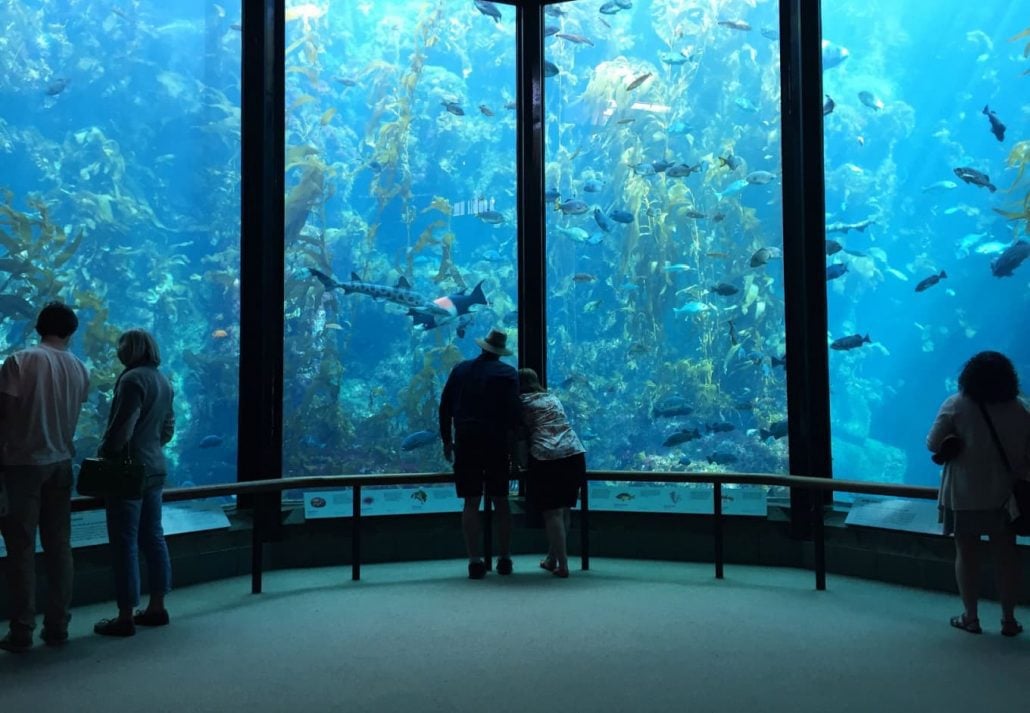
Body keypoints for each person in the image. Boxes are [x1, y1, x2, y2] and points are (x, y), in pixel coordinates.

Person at [0, 302, 90, 652]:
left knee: (21, 548)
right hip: (62, 463)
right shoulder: (80, 369)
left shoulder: (20, 362)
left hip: (23, 463)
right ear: (71, 331)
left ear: (39, 327)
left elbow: (3, 414)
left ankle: (22, 628)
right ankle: (58, 625)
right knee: (60, 546)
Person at [927, 351, 1029, 637]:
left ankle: (970, 617)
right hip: (1007, 498)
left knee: (967, 553)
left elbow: (932, 443)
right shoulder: (1022, 408)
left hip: (964, 494)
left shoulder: (956, 404)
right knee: (1006, 557)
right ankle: (1009, 619)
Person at [93, 329, 175, 637]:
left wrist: (106, 453)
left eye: (121, 346)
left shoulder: (131, 380)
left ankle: (125, 615)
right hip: (155, 467)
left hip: (129, 472)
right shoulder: (164, 381)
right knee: (153, 537)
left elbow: (121, 429)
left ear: (132, 350)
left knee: (124, 543)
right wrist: (150, 444)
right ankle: (157, 606)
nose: (118, 351)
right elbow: (167, 428)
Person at [439, 329, 521, 579]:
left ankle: (474, 561)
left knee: (471, 501)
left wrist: (447, 440)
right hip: (496, 443)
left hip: (466, 441)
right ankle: (505, 559)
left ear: (483, 347)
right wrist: (516, 454)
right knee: (500, 500)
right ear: (500, 351)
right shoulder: (508, 374)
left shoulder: (461, 369)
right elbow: (514, 415)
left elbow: (445, 406)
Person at [516, 368, 586, 579]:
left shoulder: (521, 403)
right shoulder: (553, 398)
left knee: (552, 512)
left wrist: (522, 464)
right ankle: (552, 559)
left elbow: (520, 438)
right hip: (574, 453)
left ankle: (563, 565)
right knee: (564, 509)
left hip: (547, 456)